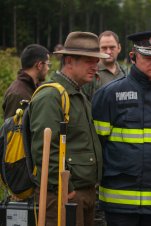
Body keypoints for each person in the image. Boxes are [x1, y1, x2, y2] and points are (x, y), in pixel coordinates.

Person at [91, 30, 151, 226]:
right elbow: (97, 147)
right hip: (119, 201)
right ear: (133, 57)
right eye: (149, 57)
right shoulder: (109, 94)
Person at [30, 31, 106, 226]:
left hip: (84, 192)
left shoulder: (77, 95)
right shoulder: (51, 96)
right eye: (89, 60)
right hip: (63, 195)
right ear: (70, 61)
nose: (95, 66)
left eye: (96, 60)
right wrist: (67, 188)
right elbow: (45, 150)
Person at [2, 44, 50, 119]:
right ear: (39, 65)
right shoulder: (17, 94)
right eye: (48, 64)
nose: (48, 68)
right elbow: (11, 129)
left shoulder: (37, 88)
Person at [82, 30, 127, 100]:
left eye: (112, 48)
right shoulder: (90, 73)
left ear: (119, 48)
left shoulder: (126, 73)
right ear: (98, 49)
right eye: (104, 48)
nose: (108, 52)